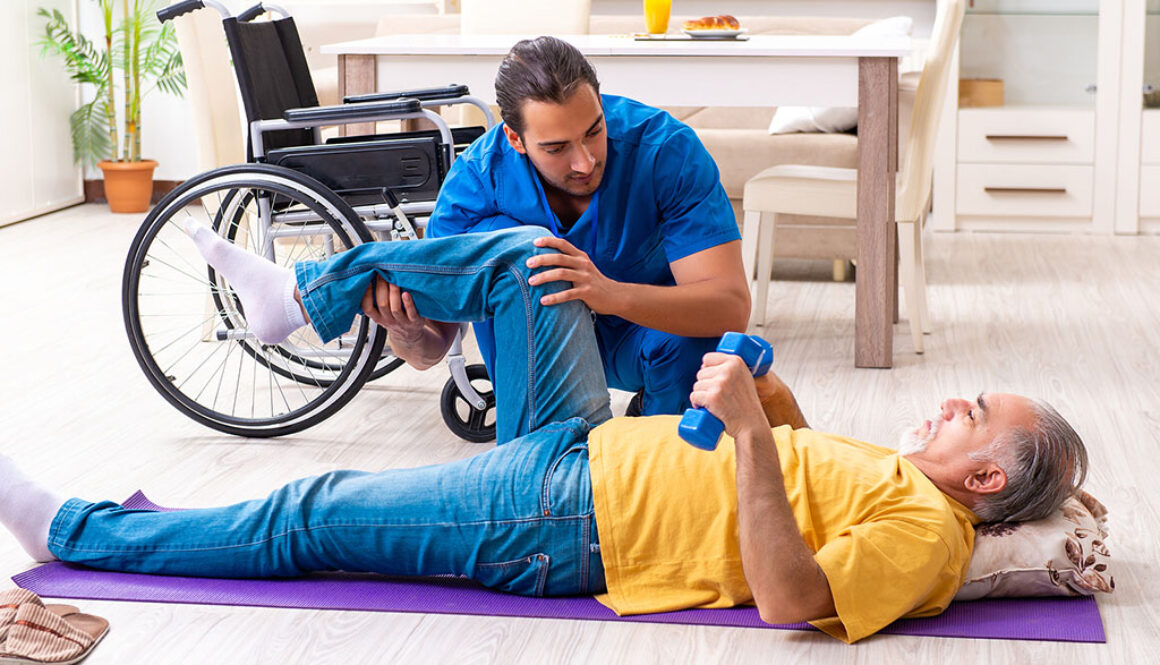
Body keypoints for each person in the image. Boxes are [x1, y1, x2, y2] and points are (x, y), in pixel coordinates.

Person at [0, 225, 1088, 643]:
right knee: (525, 255)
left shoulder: (928, 535)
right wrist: (772, 394)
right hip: (586, 446)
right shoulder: (906, 478)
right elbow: (795, 469)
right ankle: (303, 293)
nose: (951, 403)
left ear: (985, 473)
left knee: (311, 512)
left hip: (564, 519)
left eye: (972, 414)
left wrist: (752, 436)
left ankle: (77, 529)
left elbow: (793, 600)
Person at [365, 36, 751, 418]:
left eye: (594, 132)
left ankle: (653, 432)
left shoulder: (665, 151)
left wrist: (610, 294)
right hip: (539, 353)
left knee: (698, 353)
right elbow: (433, 346)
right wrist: (407, 332)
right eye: (556, 148)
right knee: (506, 239)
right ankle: (543, 449)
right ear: (515, 139)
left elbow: (730, 307)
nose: (584, 162)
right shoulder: (476, 184)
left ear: (599, 104)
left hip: (651, 339)